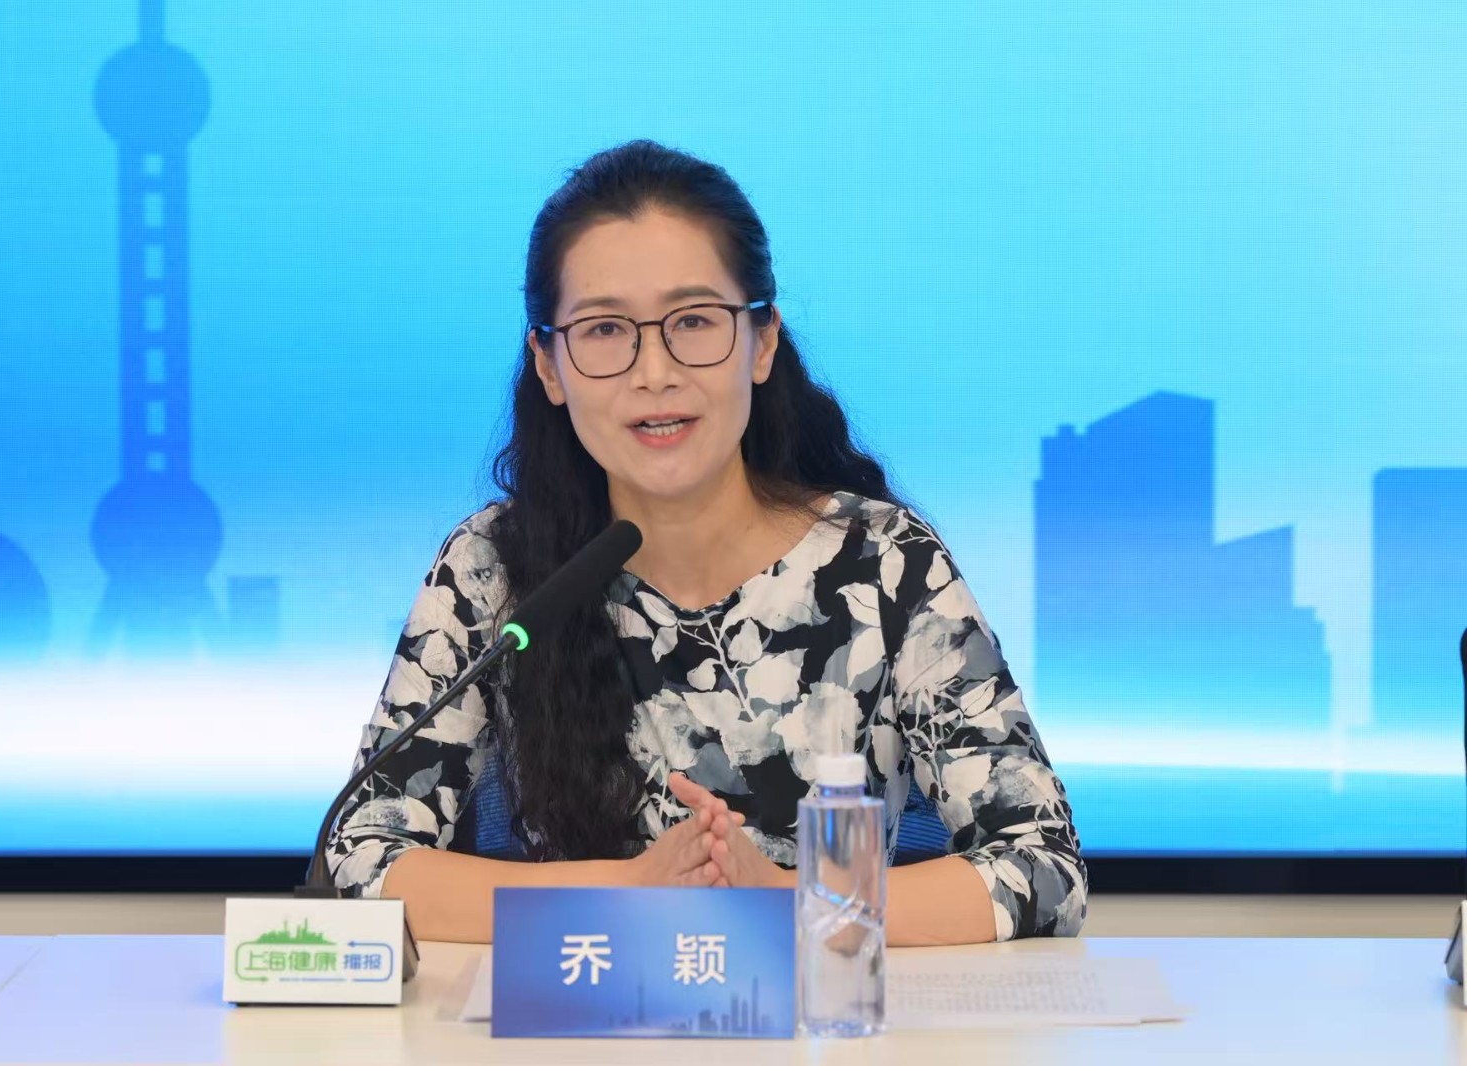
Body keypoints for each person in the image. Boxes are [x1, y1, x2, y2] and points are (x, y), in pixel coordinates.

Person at [328, 140, 1086, 945]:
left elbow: (1044, 867)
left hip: (821, 1011)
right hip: (580, 1007)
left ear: (763, 342)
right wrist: (627, 893)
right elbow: (362, 858)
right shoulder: (492, 571)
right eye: (605, 329)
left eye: (692, 321)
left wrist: (789, 903)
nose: (654, 371)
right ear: (548, 366)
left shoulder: (884, 564)